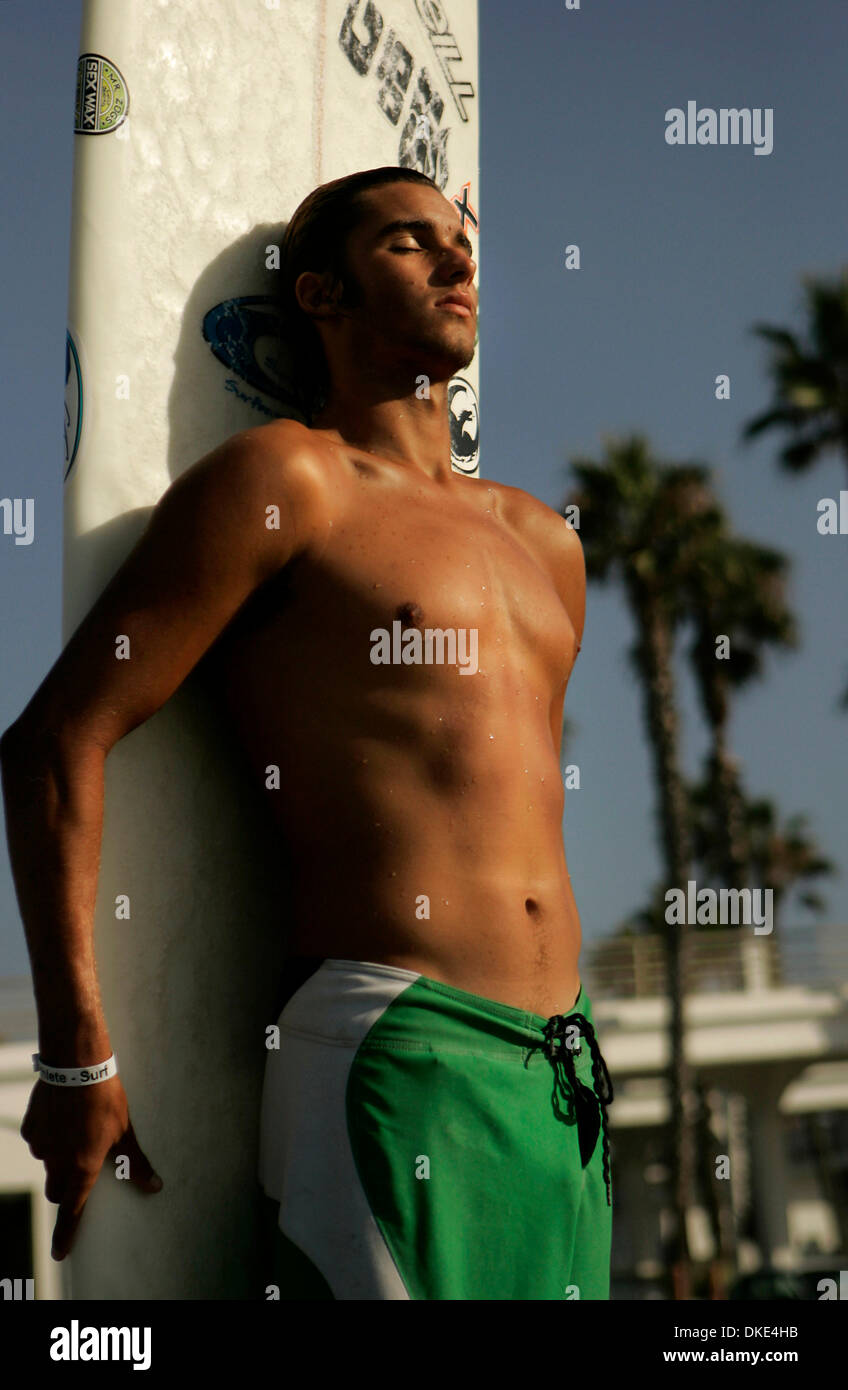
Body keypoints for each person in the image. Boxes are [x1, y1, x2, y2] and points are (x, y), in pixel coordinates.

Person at [0, 166, 613, 1301]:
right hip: (394, 1054)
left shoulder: (545, 544)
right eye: (407, 243)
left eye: (460, 240)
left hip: (560, 1075)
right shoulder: (290, 483)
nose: (455, 259)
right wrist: (77, 1052)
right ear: (321, 296)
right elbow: (53, 739)